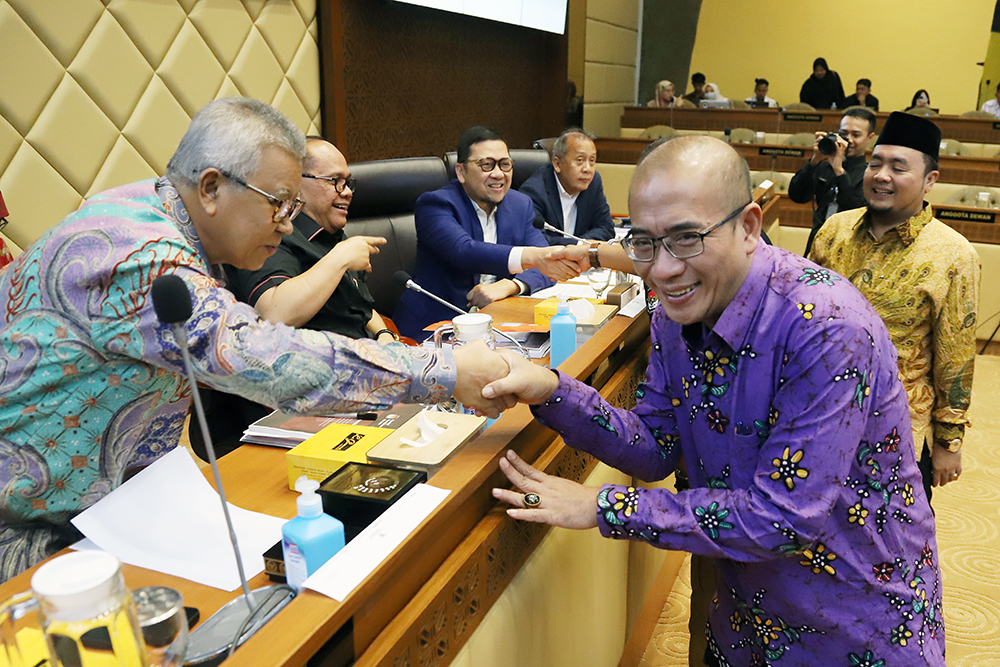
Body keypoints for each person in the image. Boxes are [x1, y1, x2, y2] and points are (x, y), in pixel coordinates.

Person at [0, 98, 510, 582]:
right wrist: (445, 372)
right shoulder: (139, 253)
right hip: (29, 532)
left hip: (114, 510)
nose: (289, 224)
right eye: (279, 205)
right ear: (211, 187)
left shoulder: (163, 220)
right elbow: (263, 355)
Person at [484, 135, 946, 666]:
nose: (662, 269)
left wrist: (601, 506)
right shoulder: (672, 314)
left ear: (749, 226)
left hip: (853, 618)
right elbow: (657, 446)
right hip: (745, 613)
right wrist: (553, 390)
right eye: (645, 243)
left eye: (685, 238)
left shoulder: (826, 327)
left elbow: (783, 520)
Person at [809, 111, 980, 506]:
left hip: (898, 428)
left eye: (898, 168)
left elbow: (956, 356)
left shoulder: (953, 255)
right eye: (875, 164)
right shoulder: (834, 231)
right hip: (818, 414)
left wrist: (948, 442)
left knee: (892, 545)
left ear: (929, 182)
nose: (881, 175)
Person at [203, 136, 393, 455]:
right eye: (335, 181)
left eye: (349, 182)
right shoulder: (277, 236)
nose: (346, 191)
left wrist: (383, 333)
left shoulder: (333, 237)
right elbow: (275, 311)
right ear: (296, 185)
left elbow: (355, 303)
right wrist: (340, 258)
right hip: (298, 407)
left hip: (357, 383)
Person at [393, 126, 581, 340]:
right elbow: (463, 251)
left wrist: (511, 285)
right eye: (487, 165)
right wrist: (533, 257)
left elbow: (546, 265)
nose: (498, 174)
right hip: (433, 329)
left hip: (497, 325)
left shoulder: (519, 204)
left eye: (505, 164)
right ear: (461, 172)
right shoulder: (436, 205)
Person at [788, 107, 876, 255]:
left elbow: (858, 213)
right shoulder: (824, 166)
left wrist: (839, 171)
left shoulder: (871, 175)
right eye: (844, 133)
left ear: (870, 137)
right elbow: (797, 195)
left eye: (856, 135)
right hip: (816, 246)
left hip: (849, 250)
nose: (849, 140)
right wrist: (815, 160)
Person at [518, 128, 615, 246]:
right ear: (557, 164)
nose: (588, 169)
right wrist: (579, 245)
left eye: (592, 160)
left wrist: (580, 245)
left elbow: (606, 227)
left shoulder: (593, 182)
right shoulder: (534, 191)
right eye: (580, 160)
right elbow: (536, 239)